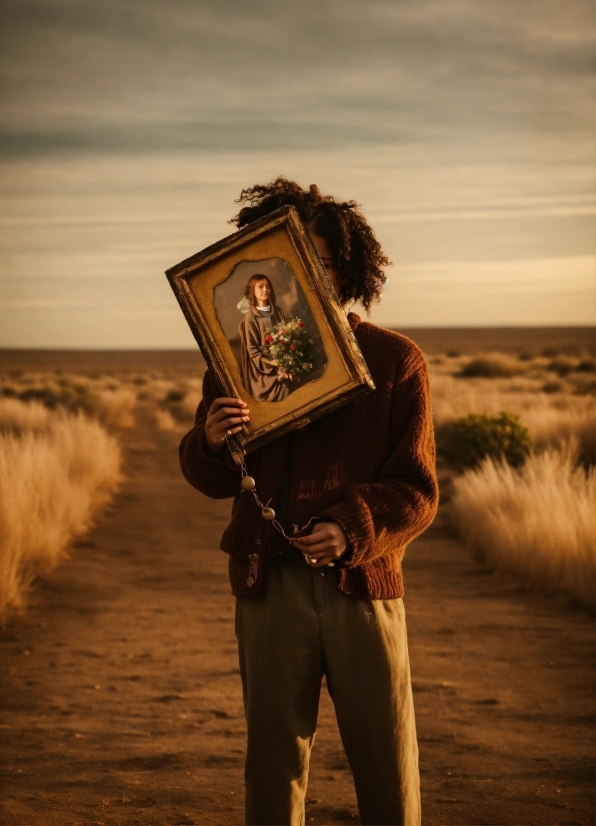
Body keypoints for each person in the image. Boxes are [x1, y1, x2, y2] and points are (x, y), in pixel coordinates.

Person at [179, 177, 439, 826]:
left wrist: (351, 529)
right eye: (284, 260)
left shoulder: (396, 360)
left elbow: (417, 492)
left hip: (361, 588)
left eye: (315, 260)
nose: (301, 275)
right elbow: (211, 479)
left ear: (345, 267)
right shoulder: (237, 359)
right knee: (273, 765)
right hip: (268, 588)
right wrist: (210, 441)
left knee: (387, 765)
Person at [238, 273, 292, 402]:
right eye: (260, 286)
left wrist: (287, 363)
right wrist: (272, 363)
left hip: (285, 373)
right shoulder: (250, 320)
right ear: (252, 290)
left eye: (268, 286)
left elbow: (291, 341)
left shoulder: (280, 313)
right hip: (264, 376)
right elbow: (253, 352)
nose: (265, 289)